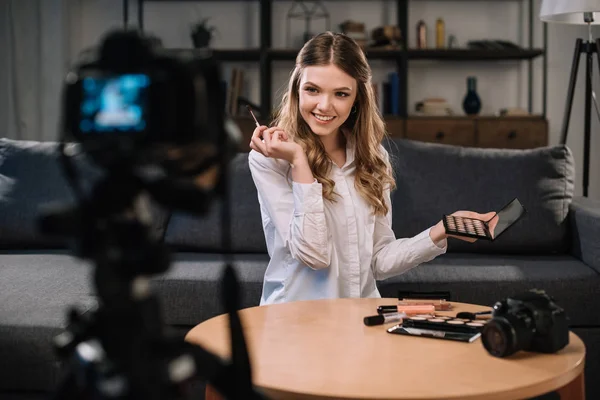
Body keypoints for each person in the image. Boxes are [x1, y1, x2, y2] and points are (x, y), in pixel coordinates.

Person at [248, 31, 496, 305]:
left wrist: (443, 229)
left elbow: (378, 260)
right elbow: (313, 256)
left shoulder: (372, 156)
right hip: (296, 318)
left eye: (341, 93)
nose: (324, 105)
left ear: (357, 99)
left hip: (360, 316)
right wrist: (298, 161)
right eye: (312, 90)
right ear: (297, 89)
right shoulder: (269, 159)